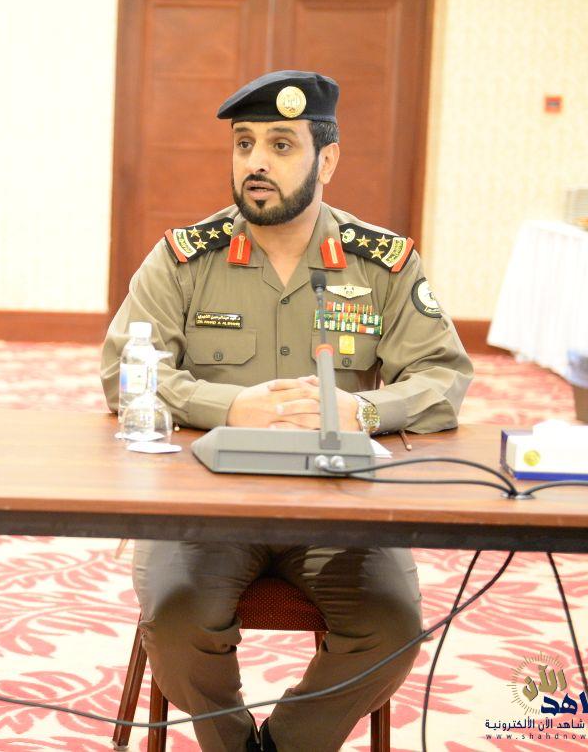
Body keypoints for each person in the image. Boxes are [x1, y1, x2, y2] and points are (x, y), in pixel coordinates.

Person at [101, 70, 472, 751]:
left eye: (280, 145)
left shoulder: (379, 264)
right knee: (177, 626)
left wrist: (362, 410)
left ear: (327, 160)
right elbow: (123, 377)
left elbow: (443, 376)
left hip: (340, 509)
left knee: (391, 629)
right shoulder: (183, 259)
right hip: (204, 507)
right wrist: (228, 407)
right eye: (244, 144)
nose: (256, 163)